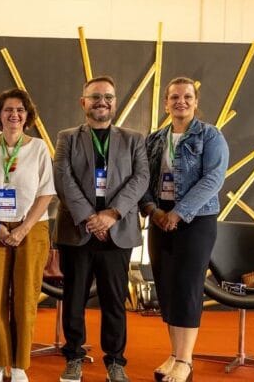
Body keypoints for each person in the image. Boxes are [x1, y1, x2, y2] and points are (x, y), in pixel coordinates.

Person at [53, 76, 149, 382]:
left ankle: (115, 361)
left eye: (108, 96)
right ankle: (73, 356)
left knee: (114, 301)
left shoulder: (134, 139)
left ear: (115, 102)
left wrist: (112, 214)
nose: (102, 102)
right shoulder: (66, 137)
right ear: (83, 103)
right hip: (77, 231)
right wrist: (90, 218)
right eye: (95, 97)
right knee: (74, 299)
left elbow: (141, 178)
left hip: (117, 233)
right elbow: (63, 180)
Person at [140, 77, 228, 382]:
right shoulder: (154, 139)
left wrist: (179, 212)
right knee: (167, 288)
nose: (181, 101)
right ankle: (174, 354)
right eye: (174, 97)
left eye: (187, 96)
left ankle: (186, 361)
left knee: (188, 287)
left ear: (195, 101)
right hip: (160, 219)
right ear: (166, 103)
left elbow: (213, 180)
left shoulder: (210, 136)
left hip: (196, 221)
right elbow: (143, 181)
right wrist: (153, 210)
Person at [0, 88, 55, 382]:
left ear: (27, 116)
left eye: (20, 110)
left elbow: (47, 192)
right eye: (8, 109)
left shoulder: (38, 148)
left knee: (24, 299)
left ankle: (19, 365)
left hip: (31, 229)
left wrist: (23, 228)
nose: (14, 115)